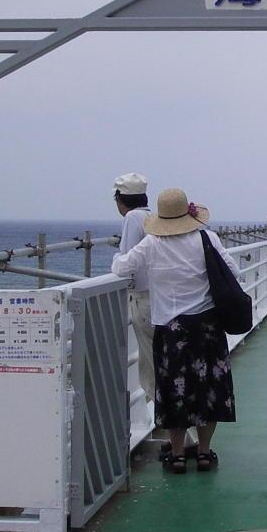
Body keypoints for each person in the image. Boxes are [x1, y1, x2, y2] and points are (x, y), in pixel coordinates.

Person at [111, 188, 237, 474]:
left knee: (173, 391)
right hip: (207, 326)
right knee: (208, 389)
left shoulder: (152, 243)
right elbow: (233, 271)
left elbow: (122, 267)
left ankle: (178, 455)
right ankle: (204, 453)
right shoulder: (207, 238)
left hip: (170, 328)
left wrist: (117, 256)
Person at [113, 173, 155, 404]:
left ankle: (164, 417)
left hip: (141, 299)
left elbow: (126, 261)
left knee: (149, 363)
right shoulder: (151, 216)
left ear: (120, 199)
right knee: (157, 359)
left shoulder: (132, 217)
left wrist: (115, 258)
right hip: (158, 297)